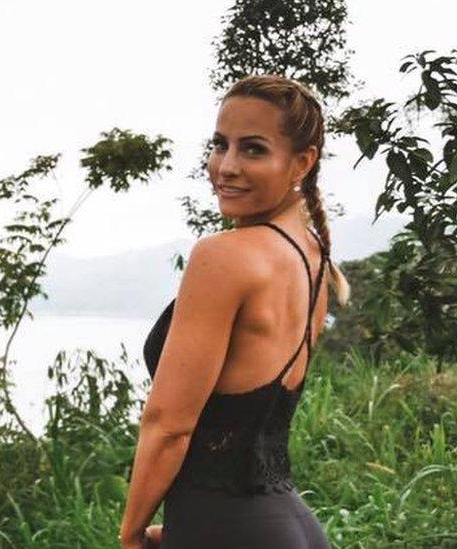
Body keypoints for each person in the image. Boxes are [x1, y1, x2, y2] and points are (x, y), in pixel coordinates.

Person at [118, 74, 352, 548]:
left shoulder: (223, 256)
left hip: (228, 526)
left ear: (301, 162)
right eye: (220, 144)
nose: (225, 166)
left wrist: (132, 534)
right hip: (289, 526)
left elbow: (168, 425)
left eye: (253, 149)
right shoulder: (313, 257)